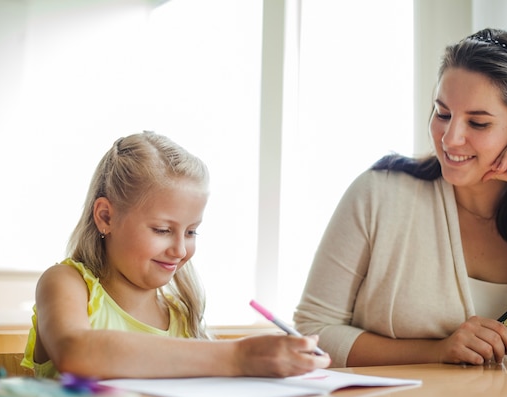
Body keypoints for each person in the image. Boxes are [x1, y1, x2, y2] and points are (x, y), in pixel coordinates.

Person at [293, 28, 507, 368]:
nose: (450, 138)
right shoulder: (379, 193)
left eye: (477, 123)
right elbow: (313, 330)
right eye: (443, 113)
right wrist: (436, 351)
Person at [22, 131, 330, 379]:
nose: (181, 250)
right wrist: (239, 357)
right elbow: (76, 353)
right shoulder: (66, 283)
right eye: (161, 230)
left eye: (191, 232)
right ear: (105, 217)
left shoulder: (182, 314)